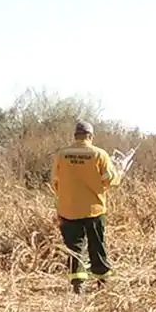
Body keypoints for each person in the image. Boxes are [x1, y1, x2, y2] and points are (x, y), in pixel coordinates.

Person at [52, 119, 122, 294]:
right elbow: (110, 179)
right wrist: (119, 173)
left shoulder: (62, 155)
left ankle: (78, 285)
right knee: (97, 246)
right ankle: (102, 283)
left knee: (74, 249)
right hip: (94, 209)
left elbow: (55, 182)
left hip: (68, 209)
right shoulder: (99, 154)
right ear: (90, 136)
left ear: (75, 135)